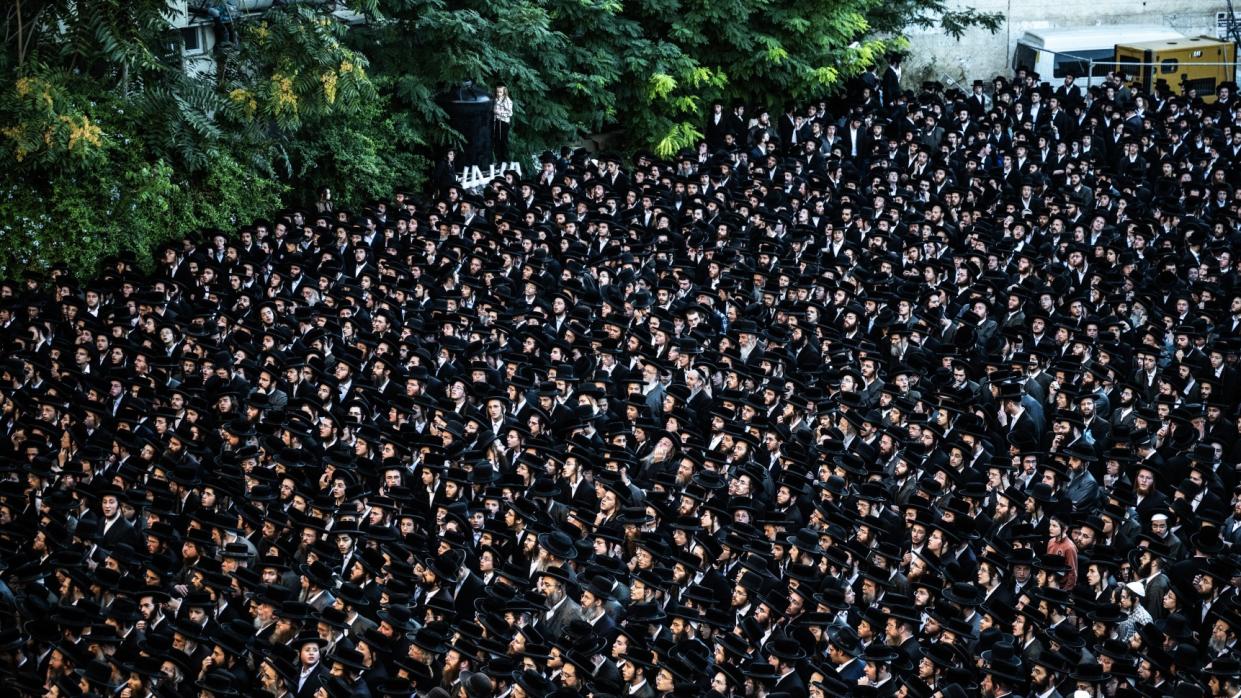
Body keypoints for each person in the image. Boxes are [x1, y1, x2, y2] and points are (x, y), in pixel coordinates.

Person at [492, 84, 513, 163]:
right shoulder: (496, 99)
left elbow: (510, 113)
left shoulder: (507, 100)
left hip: (503, 122)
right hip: (497, 121)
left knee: (503, 141)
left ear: (504, 92)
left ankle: (506, 159)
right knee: (497, 141)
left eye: (500, 92)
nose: (498, 93)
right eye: (497, 92)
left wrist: (500, 113)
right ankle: (499, 160)